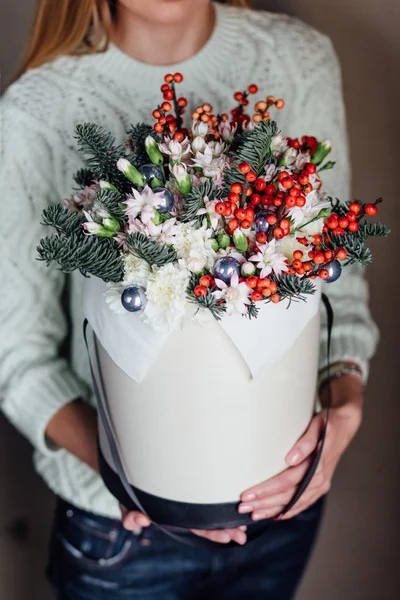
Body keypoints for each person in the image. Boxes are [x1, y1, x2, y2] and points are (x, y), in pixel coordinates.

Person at [0, 0, 379, 598]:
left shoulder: (296, 59)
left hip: (281, 510)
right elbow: (17, 354)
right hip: (124, 535)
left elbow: (334, 280)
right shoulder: (36, 110)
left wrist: (346, 404)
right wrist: (131, 474)